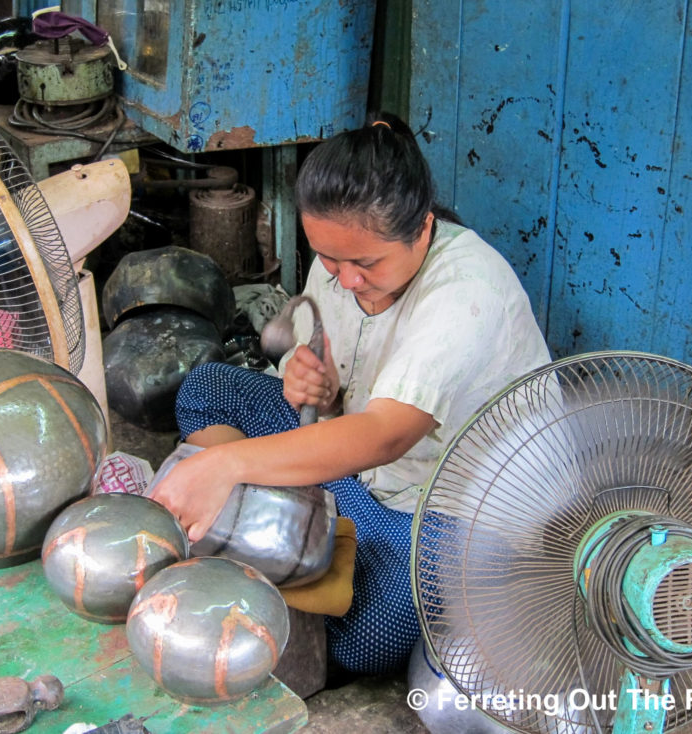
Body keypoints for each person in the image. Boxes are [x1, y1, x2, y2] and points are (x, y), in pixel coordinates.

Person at [149, 112, 551, 674]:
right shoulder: (339, 265)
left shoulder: (468, 290)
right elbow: (329, 386)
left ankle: (283, 510)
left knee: (374, 632)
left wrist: (226, 463)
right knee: (207, 387)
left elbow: (385, 435)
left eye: (366, 263)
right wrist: (310, 383)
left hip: (439, 507)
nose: (346, 279)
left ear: (424, 229)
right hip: (347, 462)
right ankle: (267, 515)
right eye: (330, 259)